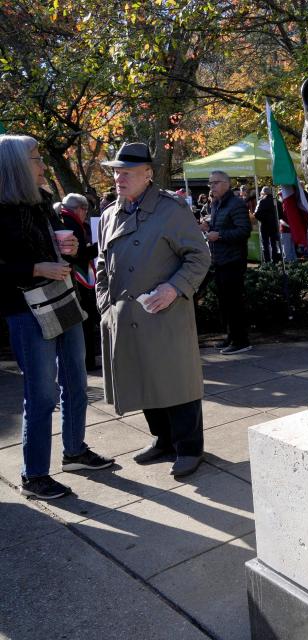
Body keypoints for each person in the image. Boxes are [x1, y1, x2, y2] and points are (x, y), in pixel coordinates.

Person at [0, 134, 114, 500]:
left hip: (61, 299)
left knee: (77, 382)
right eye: (35, 157)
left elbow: (60, 249)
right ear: (16, 164)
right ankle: (34, 475)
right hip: (26, 310)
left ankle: (75, 451)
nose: (43, 164)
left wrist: (69, 247)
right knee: (42, 394)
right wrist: (36, 266)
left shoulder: (42, 201)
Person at [97, 142, 211, 478]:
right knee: (146, 380)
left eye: (127, 172)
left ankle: (190, 448)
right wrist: (105, 304)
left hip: (166, 312)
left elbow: (199, 256)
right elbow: (102, 264)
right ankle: (163, 440)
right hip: (127, 315)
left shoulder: (171, 210)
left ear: (147, 175)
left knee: (176, 382)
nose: (119, 177)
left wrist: (174, 288)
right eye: (116, 171)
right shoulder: (109, 214)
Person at [201, 170, 252, 354]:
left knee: (234, 302)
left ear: (226, 184)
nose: (211, 186)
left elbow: (244, 231)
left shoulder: (236, 204)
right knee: (225, 303)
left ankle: (241, 340)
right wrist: (209, 228)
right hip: (220, 260)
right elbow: (220, 228)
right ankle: (231, 336)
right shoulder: (216, 204)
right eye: (210, 183)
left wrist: (219, 235)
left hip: (233, 260)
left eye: (215, 183)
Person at [59, 193, 101, 371]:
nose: (86, 213)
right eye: (85, 209)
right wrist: (99, 247)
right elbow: (78, 253)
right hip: (77, 277)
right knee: (85, 319)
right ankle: (87, 360)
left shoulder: (64, 220)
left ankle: (87, 359)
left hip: (76, 276)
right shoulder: (70, 223)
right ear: (79, 209)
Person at [254, 186, 281, 264]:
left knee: (265, 244)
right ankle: (275, 260)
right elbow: (281, 215)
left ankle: (267, 261)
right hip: (274, 225)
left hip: (265, 225)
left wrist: (263, 219)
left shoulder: (262, 201)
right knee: (274, 244)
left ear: (263, 193)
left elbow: (256, 214)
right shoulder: (277, 202)